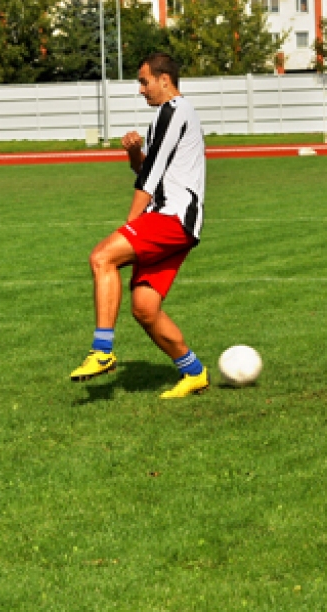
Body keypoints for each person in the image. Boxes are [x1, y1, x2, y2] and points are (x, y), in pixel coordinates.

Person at [69, 53, 209, 399]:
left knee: (102, 257)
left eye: (144, 81)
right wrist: (134, 154)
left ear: (165, 80)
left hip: (171, 218)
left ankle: (102, 351)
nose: (140, 89)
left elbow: (151, 175)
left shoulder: (174, 111)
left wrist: (133, 221)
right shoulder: (168, 117)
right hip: (177, 222)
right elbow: (148, 169)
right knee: (145, 309)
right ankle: (194, 372)